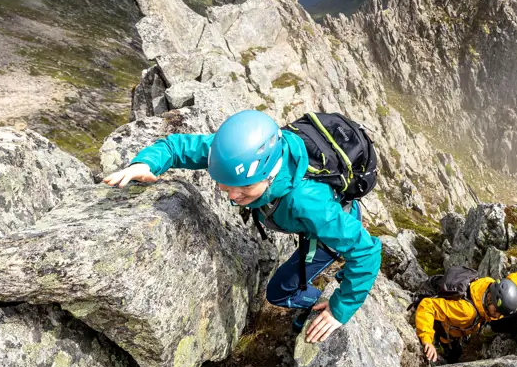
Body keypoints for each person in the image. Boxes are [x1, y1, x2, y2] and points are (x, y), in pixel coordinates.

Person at [103, 109, 381, 343]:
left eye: (246, 188)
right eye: (229, 186)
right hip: (316, 220)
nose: (234, 196)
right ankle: (317, 298)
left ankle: (319, 302)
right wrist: (145, 163)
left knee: (279, 293)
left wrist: (339, 310)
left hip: (327, 235)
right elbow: (177, 147)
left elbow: (367, 253)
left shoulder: (309, 203)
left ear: (269, 174)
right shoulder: (237, 156)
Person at [415, 264, 517, 362]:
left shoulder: (499, 287)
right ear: (489, 300)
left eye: (500, 313)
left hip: (478, 315)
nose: (497, 316)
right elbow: (427, 306)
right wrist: (427, 340)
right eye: (496, 311)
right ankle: (446, 347)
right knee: (454, 354)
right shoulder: (465, 311)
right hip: (452, 329)